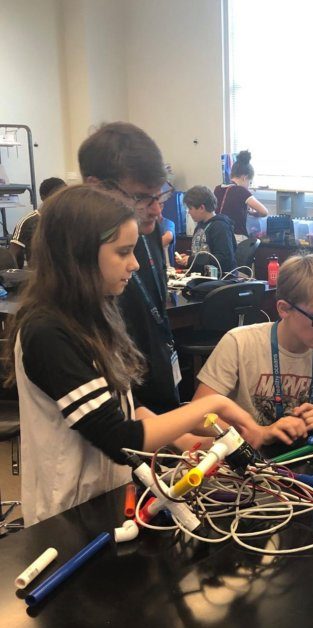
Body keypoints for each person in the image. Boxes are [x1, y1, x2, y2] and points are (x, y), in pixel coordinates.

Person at [4, 186, 306, 527]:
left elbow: (128, 410)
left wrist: (188, 440)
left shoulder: (91, 315)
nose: (134, 264)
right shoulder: (47, 332)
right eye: (123, 252)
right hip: (67, 516)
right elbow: (118, 437)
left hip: (108, 499)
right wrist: (211, 406)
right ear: (80, 255)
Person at [194, 253, 313, 428]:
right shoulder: (239, 344)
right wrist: (256, 435)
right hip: (247, 450)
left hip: (307, 452)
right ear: (284, 309)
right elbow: (198, 417)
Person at [78, 122, 180, 414]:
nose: (156, 209)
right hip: (119, 413)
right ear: (96, 188)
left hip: (157, 391)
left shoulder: (148, 229)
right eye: (140, 197)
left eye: (159, 195)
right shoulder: (81, 260)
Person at [177, 186, 237, 275]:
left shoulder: (220, 226)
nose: (189, 212)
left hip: (220, 279)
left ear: (201, 208)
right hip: (203, 276)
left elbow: (224, 259)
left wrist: (192, 260)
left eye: (190, 208)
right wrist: (187, 260)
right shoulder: (200, 226)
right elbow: (199, 255)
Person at [9, 177, 66, 268]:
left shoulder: (69, 219)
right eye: (57, 195)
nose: (61, 199)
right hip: (37, 275)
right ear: (43, 197)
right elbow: (14, 254)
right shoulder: (28, 221)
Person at [214, 150, 268, 240]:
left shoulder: (217, 189)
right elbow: (264, 212)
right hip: (235, 237)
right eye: (249, 182)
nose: (248, 186)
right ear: (244, 177)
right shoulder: (241, 191)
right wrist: (255, 214)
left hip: (217, 235)